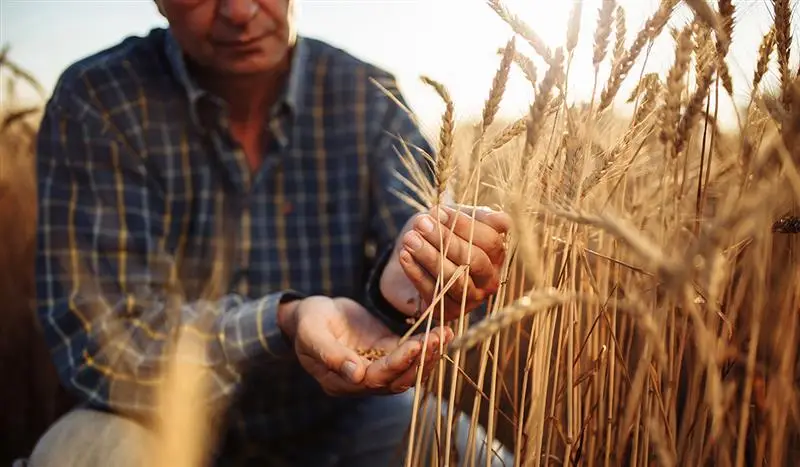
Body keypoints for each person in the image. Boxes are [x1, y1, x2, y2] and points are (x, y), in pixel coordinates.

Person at [26, 0, 514, 466]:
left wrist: (416, 281)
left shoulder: (369, 96)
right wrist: (282, 321)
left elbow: (423, 261)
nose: (238, 12)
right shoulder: (99, 100)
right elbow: (101, 341)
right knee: (77, 454)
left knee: (474, 456)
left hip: (342, 420)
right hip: (148, 423)